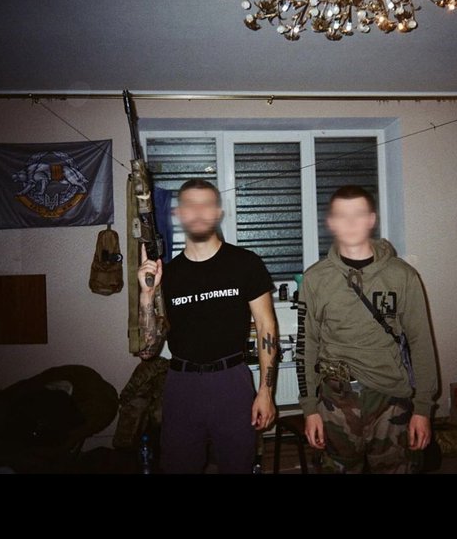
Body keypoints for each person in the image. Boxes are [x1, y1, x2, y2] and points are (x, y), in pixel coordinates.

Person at [136, 178, 278, 473]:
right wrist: (147, 294)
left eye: (206, 204)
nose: (199, 211)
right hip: (182, 386)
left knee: (238, 466)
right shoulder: (168, 275)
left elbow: (267, 327)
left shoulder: (245, 263)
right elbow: (147, 351)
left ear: (218, 213)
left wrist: (266, 392)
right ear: (178, 214)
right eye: (190, 205)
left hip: (232, 383)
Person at [298, 185, 437, 473]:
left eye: (358, 214)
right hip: (335, 400)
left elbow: (421, 342)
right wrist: (310, 409)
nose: (350, 223)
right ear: (331, 222)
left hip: (391, 399)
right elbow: (306, 345)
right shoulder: (315, 279)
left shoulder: (402, 276)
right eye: (342, 215)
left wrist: (423, 409)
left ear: (371, 219)